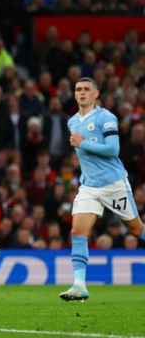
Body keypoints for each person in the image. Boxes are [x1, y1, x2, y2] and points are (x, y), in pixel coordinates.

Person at [60, 77, 145, 302]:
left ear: (96, 94)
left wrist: (83, 144)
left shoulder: (106, 117)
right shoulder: (72, 122)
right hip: (89, 186)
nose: (82, 93)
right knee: (78, 231)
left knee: (136, 229)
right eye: (78, 89)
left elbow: (113, 150)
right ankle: (79, 285)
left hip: (114, 184)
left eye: (87, 89)